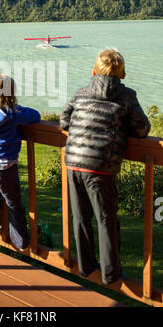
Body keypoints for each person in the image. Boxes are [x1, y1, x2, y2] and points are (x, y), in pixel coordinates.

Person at [60, 49, 150, 284]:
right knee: (105, 219)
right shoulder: (126, 95)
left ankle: (86, 267)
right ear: (122, 73)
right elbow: (142, 129)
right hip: (100, 165)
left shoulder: (81, 94)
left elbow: (64, 120)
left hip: (73, 163)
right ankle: (110, 274)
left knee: (80, 217)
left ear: (94, 70)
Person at [0, 74, 41, 251]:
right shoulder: (12, 112)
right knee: (13, 203)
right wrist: (17, 107)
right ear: (12, 91)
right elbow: (35, 116)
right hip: (5, 167)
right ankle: (20, 242)